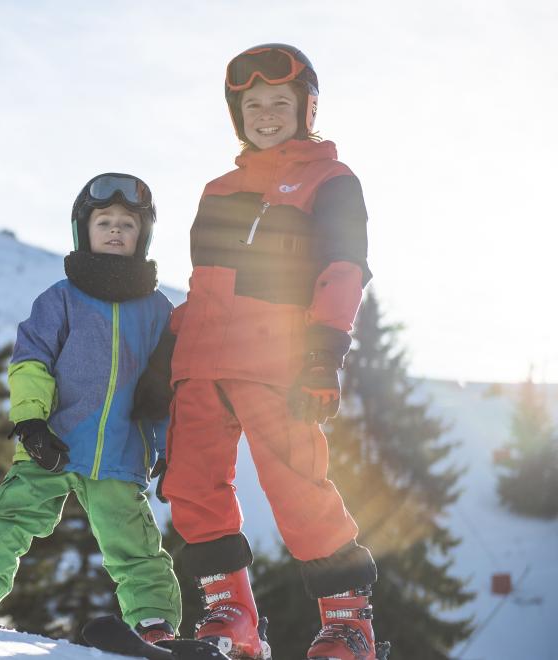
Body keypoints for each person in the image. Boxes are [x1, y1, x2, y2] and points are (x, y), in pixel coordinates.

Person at [160, 44, 380, 660]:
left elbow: (343, 267)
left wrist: (323, 351)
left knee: (297, 488)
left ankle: (347, 624)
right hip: (201, 364)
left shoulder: (330, 181)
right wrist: (167, 356)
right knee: (191, 488)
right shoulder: (218, 188)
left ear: (307, 109)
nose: (264, 113)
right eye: (251, 104)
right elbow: (207, 283)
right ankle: (231, 619)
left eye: (279, 102)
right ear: (237, 113)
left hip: (277, 361)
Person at [0, 173, 182, 646]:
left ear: (144, 236)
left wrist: (167, 445)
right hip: (51, 443)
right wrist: (32, 422)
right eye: (105, 222)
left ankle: (155, 626)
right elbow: (31, 360)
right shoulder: (62, 298)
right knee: (10, 516)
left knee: (136, 546)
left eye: (127, 224)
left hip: (120, 455)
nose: (116, 231)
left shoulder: (159, 311)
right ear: (85, 230)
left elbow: (165, 389)